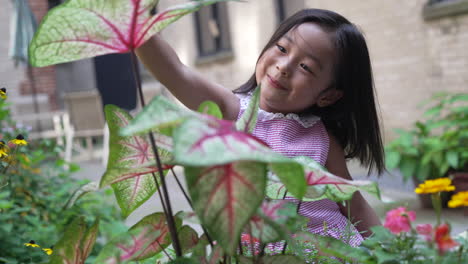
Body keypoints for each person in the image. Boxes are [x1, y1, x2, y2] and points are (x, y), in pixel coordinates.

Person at [136, 8, 383, 247]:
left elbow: (355, 205)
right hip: (256, 250)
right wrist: (133, 20)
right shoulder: (231, 110)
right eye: (282, 48)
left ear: (328, 96)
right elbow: (175, 72)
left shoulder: (322, 139)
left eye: (305, 67)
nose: (284, 66)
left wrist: (391, 251)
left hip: (328, 249)